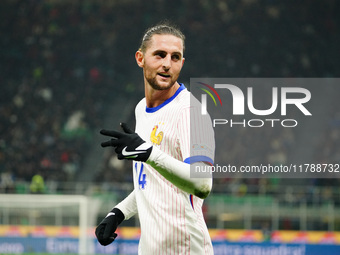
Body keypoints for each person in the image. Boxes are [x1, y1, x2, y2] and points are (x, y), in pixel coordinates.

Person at [95, 22, 215, 254]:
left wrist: (149, 153)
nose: (167, 64)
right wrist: (119, 212)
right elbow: (154, 182)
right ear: (140, 59)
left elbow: (202, 184)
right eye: (160, 55)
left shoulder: (192, 112)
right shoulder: (142, 109)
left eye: (175, 57)